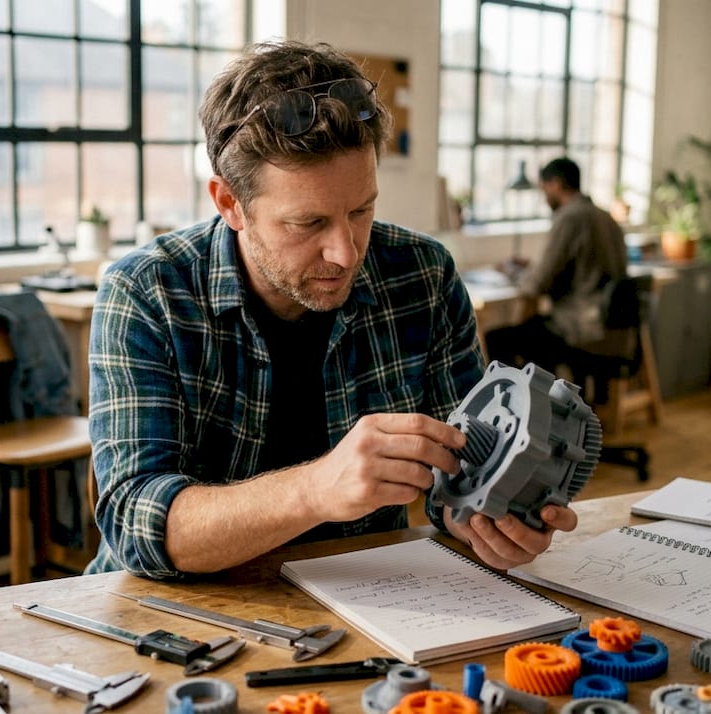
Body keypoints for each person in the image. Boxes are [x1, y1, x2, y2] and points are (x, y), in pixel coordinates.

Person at [85, 41, 577, 580]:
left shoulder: (423, 274)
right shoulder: (147, 291)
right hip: (173, 610)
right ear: (230, 204)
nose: (346, 252)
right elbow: (136, 525)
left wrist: (489, 517)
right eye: (307, 223)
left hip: (366, 596)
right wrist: (317, 489)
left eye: (361, 210)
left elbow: (455, 478)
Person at [486, 158, 628, 372]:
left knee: (497, 339)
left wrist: (511, 271)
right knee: (533, 330)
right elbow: (585, 267)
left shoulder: (570, 218)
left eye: (544, 189)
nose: (544, 197)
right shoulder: (605, 216)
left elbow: (536, 285)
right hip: (612, 329)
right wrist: (533, 265)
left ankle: (523, 404)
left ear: (556, 183)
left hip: (579, 328)